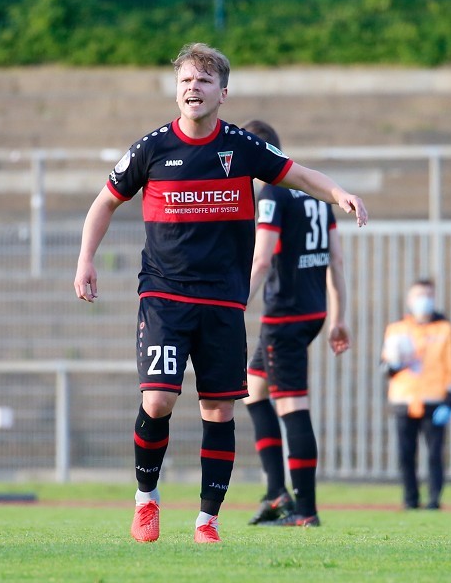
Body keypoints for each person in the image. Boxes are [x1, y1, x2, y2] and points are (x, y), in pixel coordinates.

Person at [73, 42, 368, 544]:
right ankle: (146, 501)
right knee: (160, 399)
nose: (194, 87)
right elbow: (104, 203)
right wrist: (85, 260)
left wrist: (338, 192)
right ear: (176, 91)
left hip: (223, 300)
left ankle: (207, 521)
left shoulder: (241, 147)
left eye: (204, 81)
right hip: (164, 296)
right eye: (186, 80)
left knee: (220, 410)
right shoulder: (150, 149)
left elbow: (297, 173)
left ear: (222, 93)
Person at [241, 120, 349, 528]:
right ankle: (276, 494)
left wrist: (237, 306)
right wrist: (339, 318)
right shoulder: (315, 193)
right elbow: (335, 260)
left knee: (292, 407)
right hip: (314, 311)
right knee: (254, 391)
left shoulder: (273, 191)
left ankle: (305, 510)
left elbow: (263, 259)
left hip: (284, 314)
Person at [381, 279, 451, 510]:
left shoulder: (446, 329)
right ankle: (410, 499)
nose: (423, 300)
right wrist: (396, 363)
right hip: (404, 399)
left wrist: (450, 401)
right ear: (409, 300)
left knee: (435, 454)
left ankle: (435, 499)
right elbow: (385, 366)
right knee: (406, 454)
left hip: (434, 400)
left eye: (427, 295)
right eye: (418, 295)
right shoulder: (397, 329)